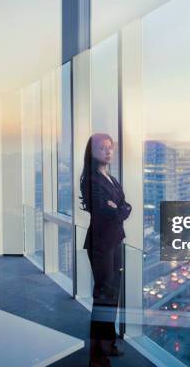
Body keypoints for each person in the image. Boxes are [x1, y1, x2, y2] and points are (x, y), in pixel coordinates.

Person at [80, 133, 132, 365]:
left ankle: (108, 343)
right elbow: (105, 211)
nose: (108, 152)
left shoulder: (110, 178)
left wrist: (119, 209)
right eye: (102, 148)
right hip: (101, 244)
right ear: (92, 152)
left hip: (115, 241)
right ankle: (96, 355)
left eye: (110, 148)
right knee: (102, 297)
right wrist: (119, 210)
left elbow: (124, 205)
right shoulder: (91, 180)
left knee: (113, 295)